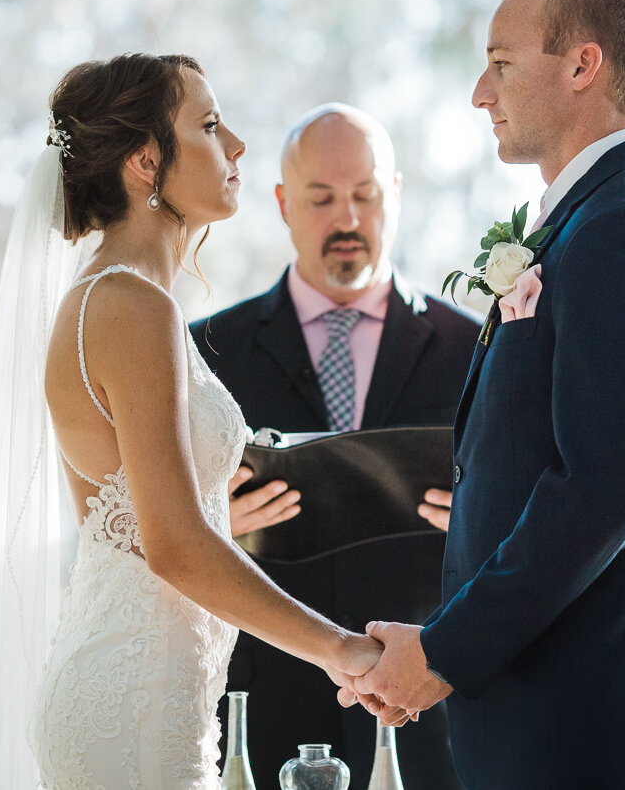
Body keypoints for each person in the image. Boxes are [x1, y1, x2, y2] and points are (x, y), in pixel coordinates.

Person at [0, 54, 408, 790]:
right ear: (144, 161)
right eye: (208, 125)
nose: (237, 146)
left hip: (139, 689)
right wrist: (342, 649)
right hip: (134, 707)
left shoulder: (104, 298)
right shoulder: (133, 305)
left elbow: (114, 529)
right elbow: (171, 546)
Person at [349, 0, 625, 789]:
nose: (480, 92)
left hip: (592, 729)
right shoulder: (603, 222)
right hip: (550, 718)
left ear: (582, 65)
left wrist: (443, 653)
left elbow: (597, 492)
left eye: (502, 62)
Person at [190, 104, 477, 787]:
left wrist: (485, 514)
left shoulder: (476, 347)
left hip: (430, 711)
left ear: (396, 196)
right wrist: (213, 523)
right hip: (264, 704)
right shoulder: (207, 352)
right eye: (321, 198)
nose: (346, 218)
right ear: (285, 204)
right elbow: (160, 528)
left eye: (365, 195)